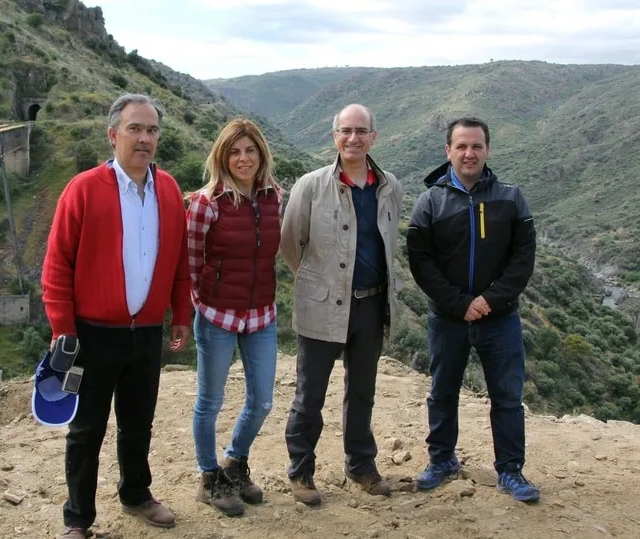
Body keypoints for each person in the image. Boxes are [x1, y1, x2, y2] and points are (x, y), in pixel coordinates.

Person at [41, 93, 193, 539]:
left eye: (151, 130)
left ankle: (136, 493)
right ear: (113, 135)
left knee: (138, 422)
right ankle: (78, 519)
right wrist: (62, 330)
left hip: (145, 332)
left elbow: (180, 261)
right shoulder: (84, 189)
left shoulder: (167, 189)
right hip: (92, 333)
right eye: (134, 129)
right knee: (86, 429)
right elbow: (56, 265)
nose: (144, 138)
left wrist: (180, 314)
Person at [405, 117, 540, 503]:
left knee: (508, 397)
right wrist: (459, 304)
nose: (469, 153)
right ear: (448, 151)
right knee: (442, 391)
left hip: (500, 318)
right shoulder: (430, 201)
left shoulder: (511, 197)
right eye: (461, 146)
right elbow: (421, 263)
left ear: (487, 150)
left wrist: (488, 301)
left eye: (476, 146)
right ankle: (442, 459)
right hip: (448, 318)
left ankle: (511, 471)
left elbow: (522, 259)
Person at [280, 104, 403, 505]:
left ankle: (362, 467)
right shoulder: (310, 186)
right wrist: (320, 282)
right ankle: (301, 472)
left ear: (374, 137)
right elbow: (290, 243)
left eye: (361, 131)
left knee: (362, 391)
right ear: (334, 136)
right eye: (346, 130)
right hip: (322, 306)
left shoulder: (390, 187)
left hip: (371, 306)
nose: (353, 138)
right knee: (309, 394)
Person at [185, 118, 283, 517]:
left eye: (250, 150)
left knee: (261, 401)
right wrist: (204, 300)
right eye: (234, 151)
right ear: (222, 157)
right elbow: (191, 263)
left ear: (261, 154)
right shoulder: (207, 202)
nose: (243, 158)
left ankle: (235, 462)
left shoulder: (275, 196)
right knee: (210, 401)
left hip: (261, 314)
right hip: (216, 315)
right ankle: (209, 478)